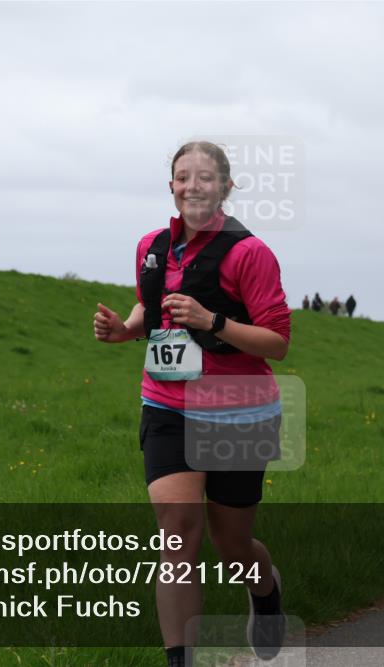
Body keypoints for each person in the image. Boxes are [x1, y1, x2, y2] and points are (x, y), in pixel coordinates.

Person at [93, 141, 290, 667]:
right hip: (167, 405)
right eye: (183, 177)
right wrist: (125, 331)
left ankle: (265, 589)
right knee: (177, 534)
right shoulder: (151, 246)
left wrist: (213, 322)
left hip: (237, 409)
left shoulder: (250, 254)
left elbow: (277, 341)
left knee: (232, 550)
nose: (193, 186)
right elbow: (151, 307)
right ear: (172, 186)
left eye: (206, 178)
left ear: (226, 187)